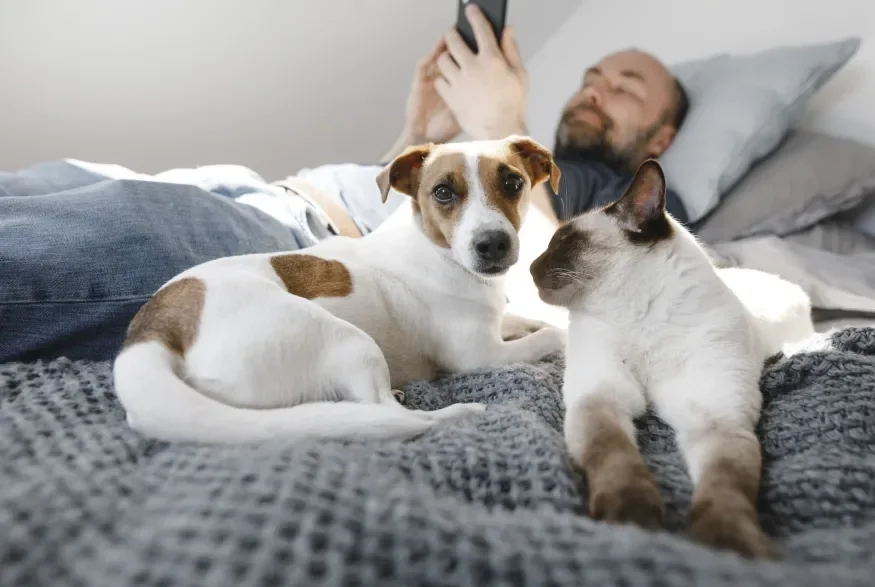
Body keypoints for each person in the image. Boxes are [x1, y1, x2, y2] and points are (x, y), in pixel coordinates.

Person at [0, 4, 690, 364]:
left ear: (659, 139)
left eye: (626, 87)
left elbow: (554, 279)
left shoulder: (624, 197)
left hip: (293, 241)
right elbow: (397, 211)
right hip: (268, 191)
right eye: (593, 77)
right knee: (36, 186)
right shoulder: (485, 144)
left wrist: (501, 117)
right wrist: (414, 133)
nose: (597, 90)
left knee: (41, 252)